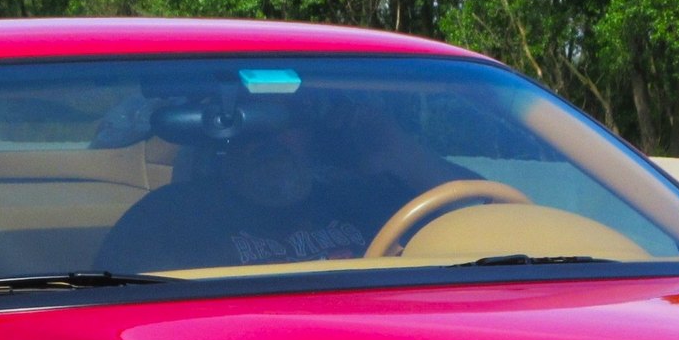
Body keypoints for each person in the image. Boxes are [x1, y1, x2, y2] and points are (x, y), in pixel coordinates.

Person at [94, 92, 455, 274]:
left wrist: (396, 146)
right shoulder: (167, 219)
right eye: (253, 122)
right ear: (225, 135)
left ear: (313, 133)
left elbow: (478, 215)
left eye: (284, 120)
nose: (269, 139)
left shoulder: (364, 198)